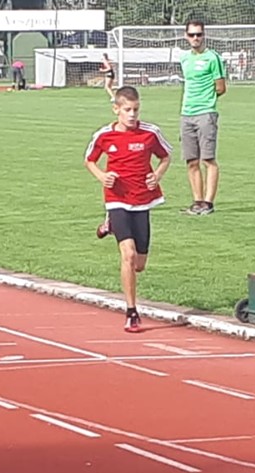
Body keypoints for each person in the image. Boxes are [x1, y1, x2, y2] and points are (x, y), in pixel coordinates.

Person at [84, 86, 172, 332]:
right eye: (127, 110)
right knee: (128, 255)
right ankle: (132, 311)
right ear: (116, 109)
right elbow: (89, 160)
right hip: (117, 199)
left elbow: (165, 157)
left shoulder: (150, 133)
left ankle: (109, 225)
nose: (132, 115)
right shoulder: (104, 135)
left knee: (139, 264)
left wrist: (157, 175)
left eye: (136, 110)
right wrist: (102, 176)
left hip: (142, 200)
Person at [180, 20, 227, 215]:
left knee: (208, 159)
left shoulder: (212, 58)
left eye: (199, 34)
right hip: (186, 113)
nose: (195, 38)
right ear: (186, 36)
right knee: (191, 161)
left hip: (206, 113)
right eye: (192, 35)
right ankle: (197, 201)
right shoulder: (184, 59)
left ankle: (208, 203)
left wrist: (206, 100)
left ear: (204, 35)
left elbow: (221, 87)